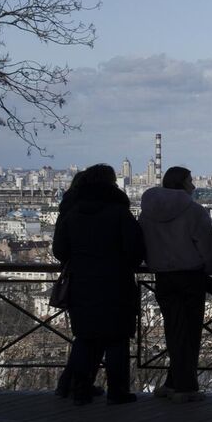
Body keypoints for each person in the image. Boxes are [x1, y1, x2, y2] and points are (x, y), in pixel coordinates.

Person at [51, 164, 146, 405]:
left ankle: (80, 389)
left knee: (85, 338)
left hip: (81, 284)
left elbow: (60, 250)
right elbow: (135, 251)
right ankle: (118, 390)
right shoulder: (119, 213)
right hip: (116, 283)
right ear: (111, 185)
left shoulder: (72, 213)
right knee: (117, 338)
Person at [140, 166, 212, 401]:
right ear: (183, 184)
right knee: (190, 332)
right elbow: (207, 245)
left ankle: (173, 383)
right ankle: (185, 387)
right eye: (190, 181)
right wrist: (211, 269)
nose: (193, 186)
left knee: (174, 331)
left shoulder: (147, 213)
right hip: (191, 277)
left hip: (163, 277)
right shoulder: (194, 211)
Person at [52, 170, 91, 399]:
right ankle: (76, 385)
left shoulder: (67, 210)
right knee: (109, 336)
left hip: (77, 279)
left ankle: (72, 384)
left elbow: (59, 250)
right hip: (110, 280)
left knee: (84, 335)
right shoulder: (115, 210)